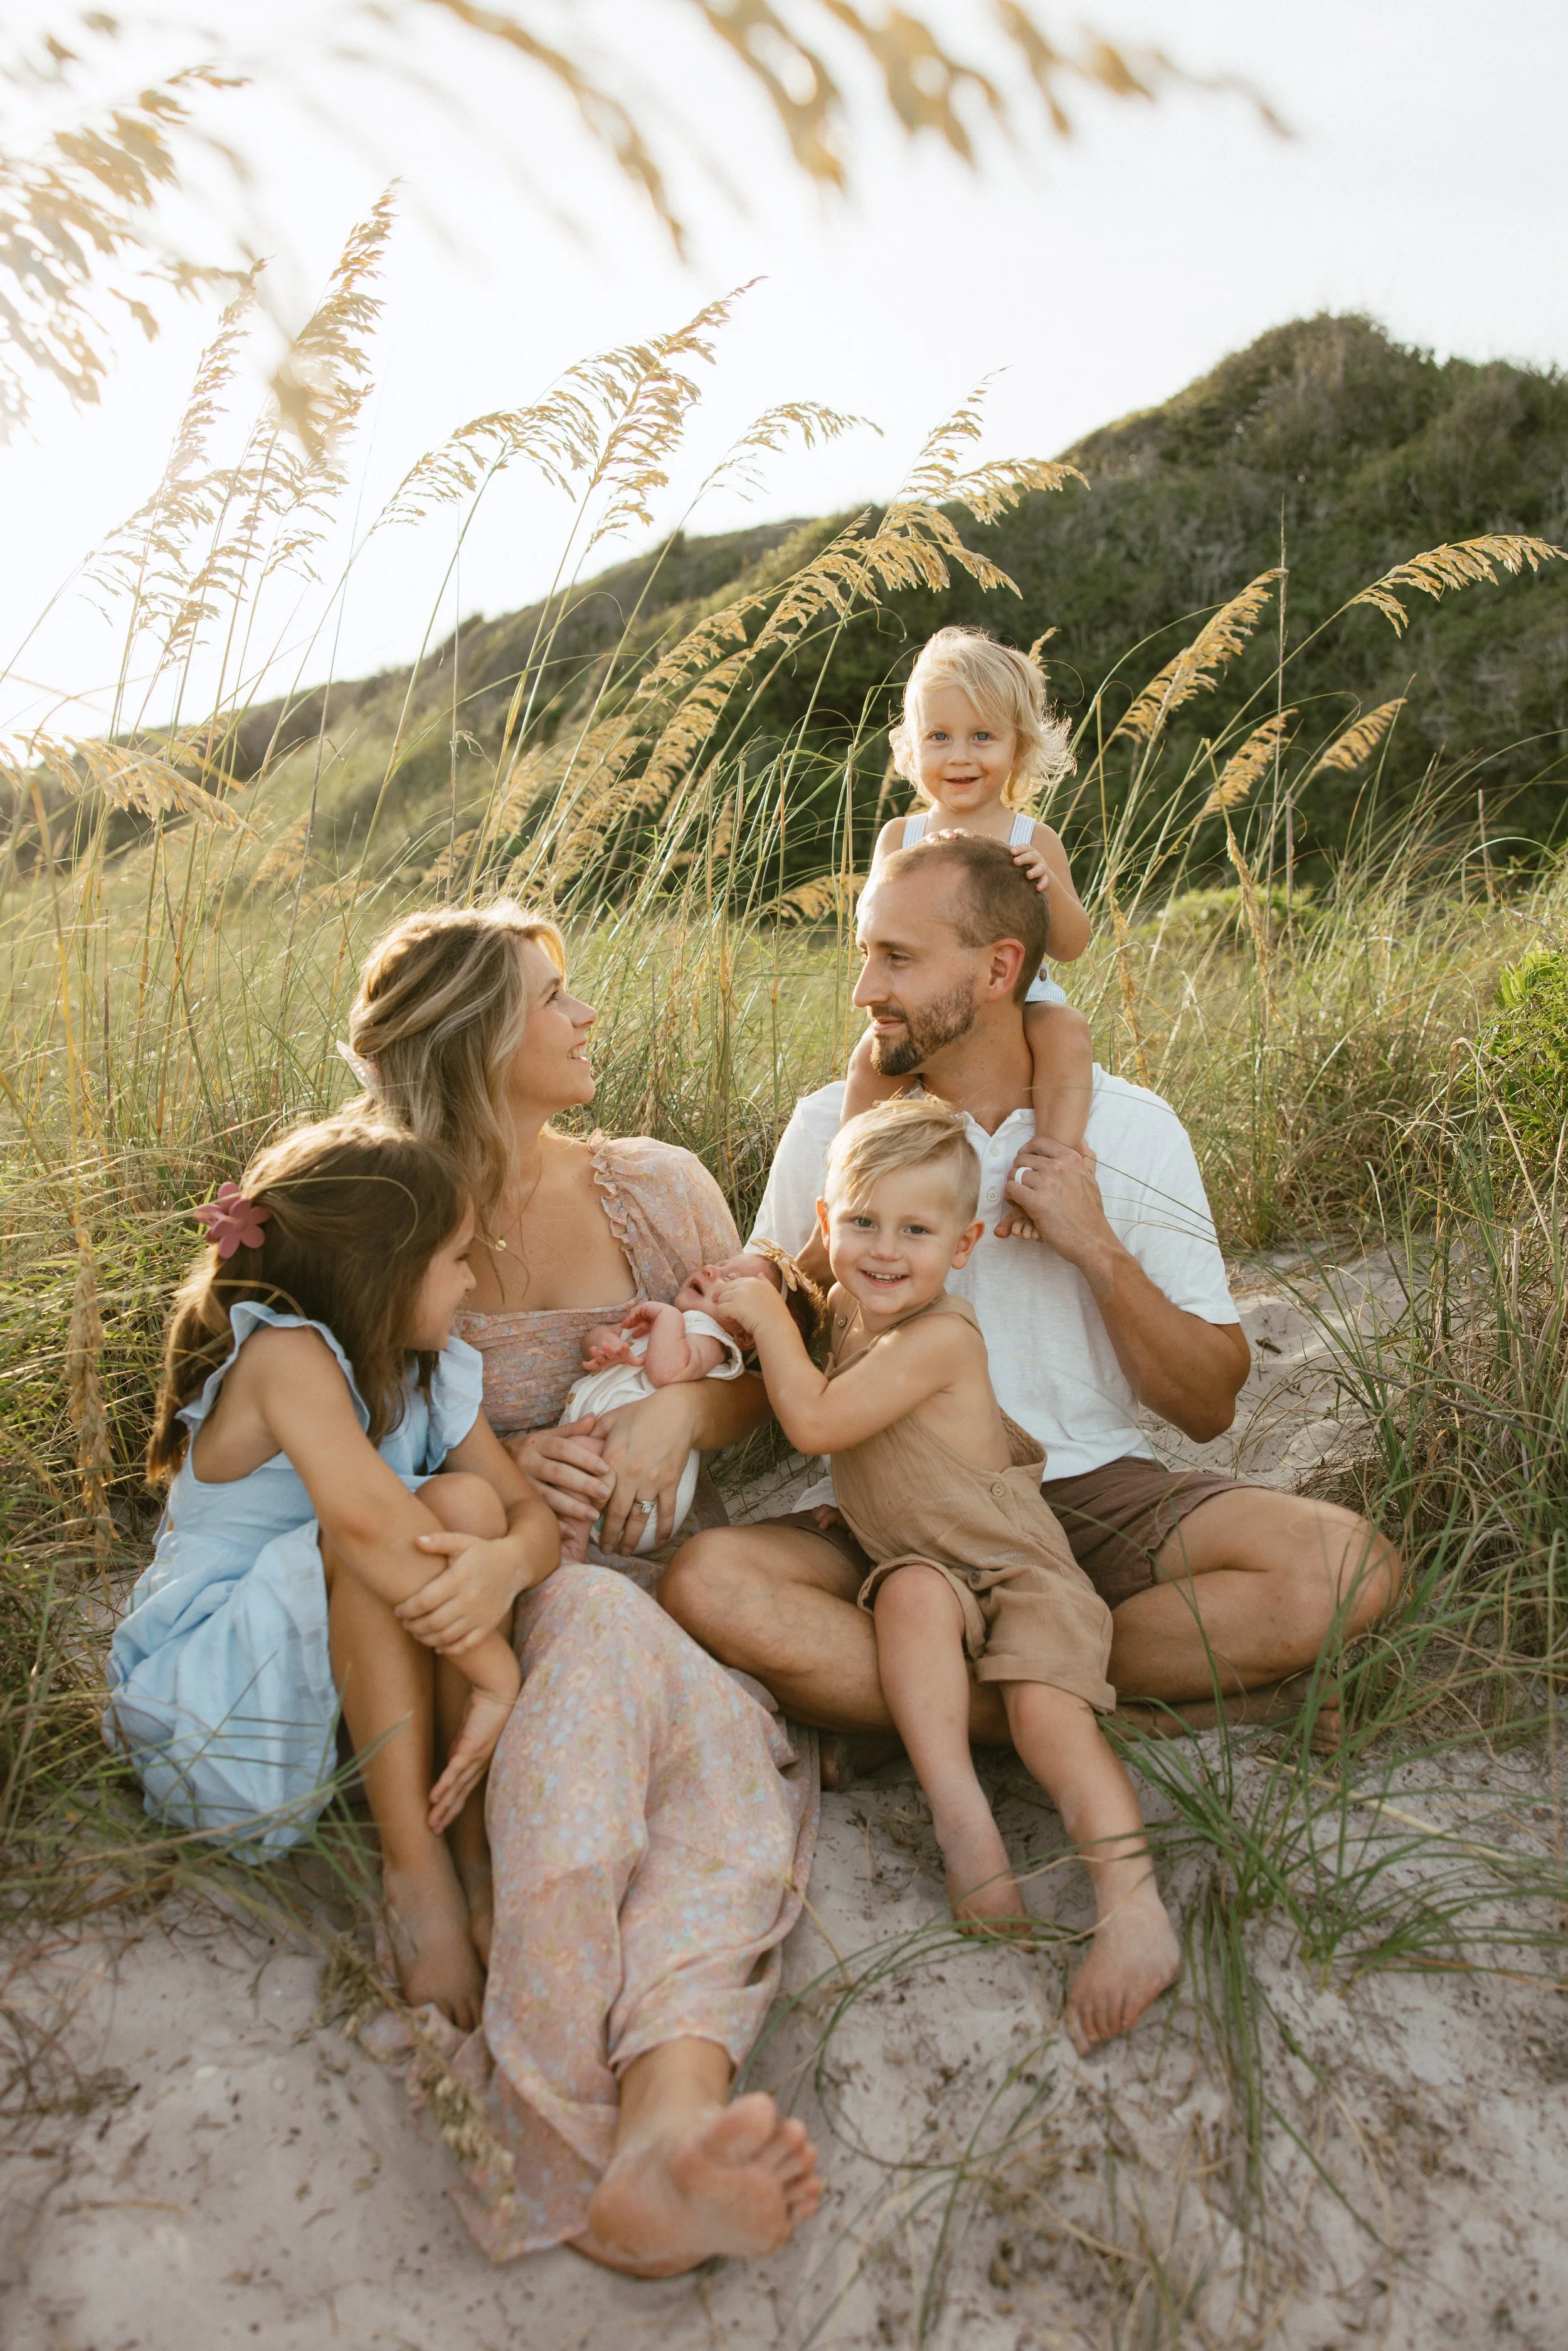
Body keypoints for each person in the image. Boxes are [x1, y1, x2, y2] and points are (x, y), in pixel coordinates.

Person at [661, 831, 1404, 1769]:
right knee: (709, 1582)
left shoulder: (1130, 1129)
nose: (863, 992)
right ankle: (1100, 1717)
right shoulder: (832, 1127)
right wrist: (690, 1378)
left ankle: (941, 1705)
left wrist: (1093, 1243)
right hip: (891, 1515)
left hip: (1099, 1501)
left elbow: (1209, 1406)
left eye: (897, 957)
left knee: (1347, 1568)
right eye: (864, 955)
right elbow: (779, 1336)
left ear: (998, 968)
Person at [343, 902, 821, 2274]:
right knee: (608, 1686)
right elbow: (360, 1449)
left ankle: (665, 2133)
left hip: (680, 1604)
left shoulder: (655, 1185)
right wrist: (505, 1479)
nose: (585, 1016)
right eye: (554, 997)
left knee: (723, 1802)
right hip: (498, 1622)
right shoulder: (382, 1219)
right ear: (483, 1041)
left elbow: (761, 1396)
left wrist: (686, 1416)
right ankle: (561, 2138)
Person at [714, 1097, 1180, 2052]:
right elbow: (763, 1327)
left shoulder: (941, 1338)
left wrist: (762, 1309)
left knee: (1049, 1715)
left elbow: (809, 1422)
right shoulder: (844, 1305)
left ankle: (1133, 1908)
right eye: (863, 1223)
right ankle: (965, 1826)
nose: (885, 1250)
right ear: (825, 1226)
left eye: (917, 1231)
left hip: (1017, 1572)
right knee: (914, 1598)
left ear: (963, 1245)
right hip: (921, 1563)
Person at [106, 1116, 560, 2029]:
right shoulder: (283, 1356)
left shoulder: (426, 1372)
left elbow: (528, 1517)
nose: (472, 1281)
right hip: (220, 1704)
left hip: (330, 1693)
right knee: (385, 1534)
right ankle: (415, 1867)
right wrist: (495, 1672)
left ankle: (465, 1840)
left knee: (466, 1512)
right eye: (456, 1259)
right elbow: (363, 1525)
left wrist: (507, 1563)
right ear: (383, 1273)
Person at [841, 626, 1093, 1238]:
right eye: (939, 736)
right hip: (927, 1006)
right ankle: (847, 1170)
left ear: (1018, 747)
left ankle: (1050, 1162)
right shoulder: (901, 835)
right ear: (913, 746)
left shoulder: (1031, 838)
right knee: (868, 1063)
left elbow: (1071, 944)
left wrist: (1045, 885)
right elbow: (867, 928)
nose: (959, 755)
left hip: (1018, 1004)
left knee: (1066, 1031)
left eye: (982, 736)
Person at [564, 1247, 818, 1560]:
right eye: (720, 1265)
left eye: (731, 1278)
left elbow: (667, 1374)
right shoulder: (677, 1323)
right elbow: (594, 1338)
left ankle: (571, 1550)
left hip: (643, 1483)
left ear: (746, 1335)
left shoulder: (711, 1339)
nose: (711, 1270)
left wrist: (667, 1317)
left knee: (574, 1469)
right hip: (615, 1453)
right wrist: (607, 1343)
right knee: (566, 1468)